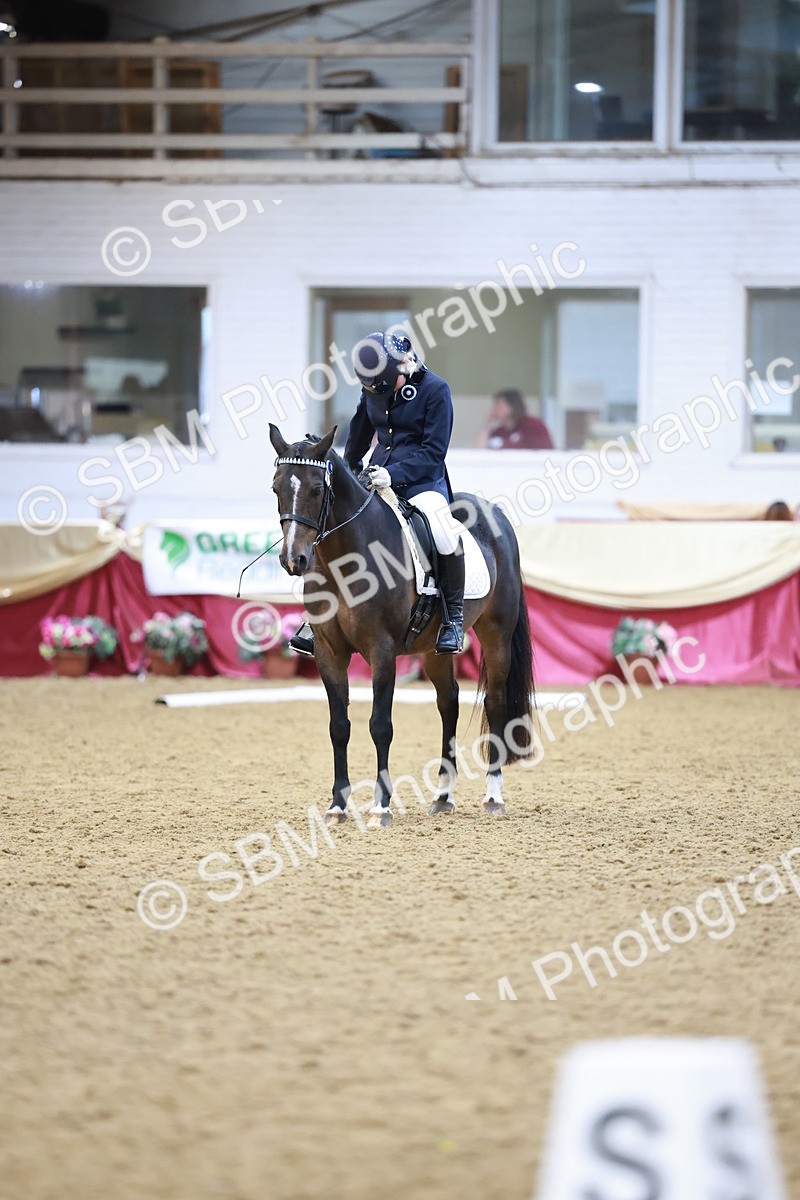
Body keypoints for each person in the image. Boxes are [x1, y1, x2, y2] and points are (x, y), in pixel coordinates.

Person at [290, 331, 465, 657]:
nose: (382, 395)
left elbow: (434, 452)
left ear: (405, 364)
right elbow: (360, 431)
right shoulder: (376, 386)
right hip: (374, 476)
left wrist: (394, 474)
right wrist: (347, 470)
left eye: (388, 386)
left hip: (422, 482)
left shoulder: (436, 391)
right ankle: (319, 618)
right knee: (333, 524)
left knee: (443, 533)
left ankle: (453, 619)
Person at [476, 388, 553, 450]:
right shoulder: (500, 431)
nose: (494, 409)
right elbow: (479, 451)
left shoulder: (532, 425)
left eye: (498, 405)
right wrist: (487, 424)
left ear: (511, 407)